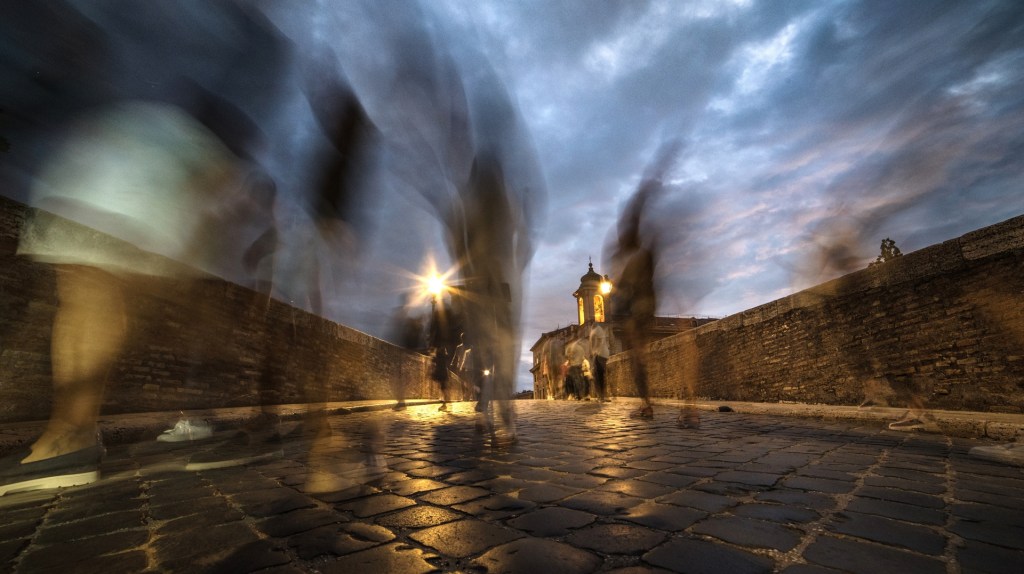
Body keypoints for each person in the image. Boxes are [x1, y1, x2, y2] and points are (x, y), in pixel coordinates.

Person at [588, 323, 611, 402]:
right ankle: (604, 396)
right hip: (603, 355)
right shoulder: (598, 329)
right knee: (602, 376)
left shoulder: (596, 330)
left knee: (598, 376)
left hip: (599, 355)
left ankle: (601, 396)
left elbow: (599, 341)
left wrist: (595, 352)